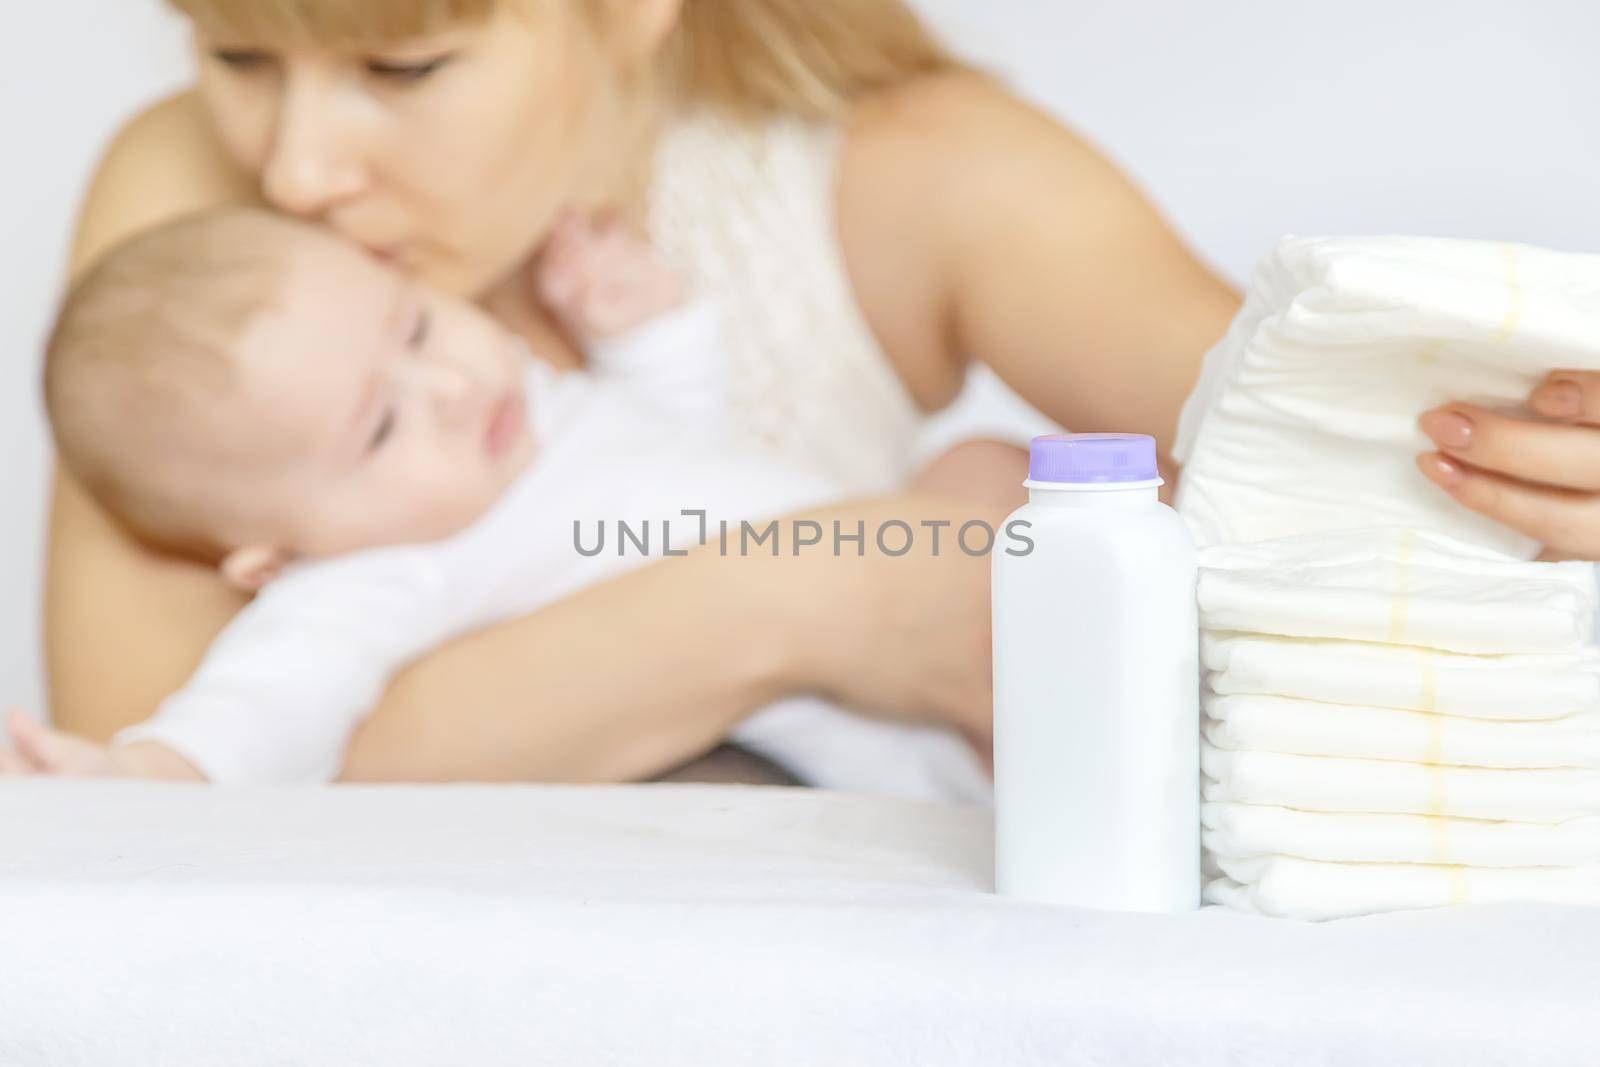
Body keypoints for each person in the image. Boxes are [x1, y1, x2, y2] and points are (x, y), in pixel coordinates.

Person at [50, 0, 1584, 784]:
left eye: (404, 67)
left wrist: (1547, 477)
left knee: (1025, 482)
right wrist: (828, 598)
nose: (298, 166)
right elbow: (181, 803)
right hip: (712, 839)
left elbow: (1382, 470)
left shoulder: (927, 174)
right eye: (235, 51)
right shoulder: (195, 222)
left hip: (953, 787)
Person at [17, 205, 993, 802]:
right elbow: (262, 706)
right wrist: (143, 773)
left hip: (913, 626)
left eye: (414, 325)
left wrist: (648, 336)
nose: (441, 385)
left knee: (984, 467)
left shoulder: (522, 412)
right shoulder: (371, 576)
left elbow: (679, 455)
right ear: (273, 556)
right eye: (378, 429)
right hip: (917, 746)